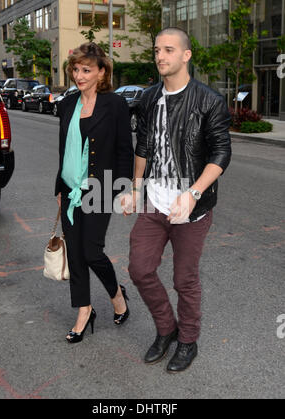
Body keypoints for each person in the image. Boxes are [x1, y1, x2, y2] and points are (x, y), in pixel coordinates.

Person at [127, 27, 232, 372]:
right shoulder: (148, 99)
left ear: (186, 55)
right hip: (155, 202)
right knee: (140, 269)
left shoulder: (209, 101)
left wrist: (193, 193)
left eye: (168, 50)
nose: (160, 56)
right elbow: (143, 146)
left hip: (193, 208)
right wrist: (135, 187)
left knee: (184, 279)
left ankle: (187, 341)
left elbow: (221, 152)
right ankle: (166, 328)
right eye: (157, 50)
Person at [55, 42, 134, 343]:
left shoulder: (114, 105)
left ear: (102, 73)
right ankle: (84, 310)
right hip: (70, 188)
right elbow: (64, 151)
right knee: (75, 255)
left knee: (91, 252)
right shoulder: (67, 104)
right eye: (75, 69)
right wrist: (60, 188)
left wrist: (125, 189)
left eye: (86, 70)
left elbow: (125, 150)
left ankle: (116, 296)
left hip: (99, 187)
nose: (79, 75)